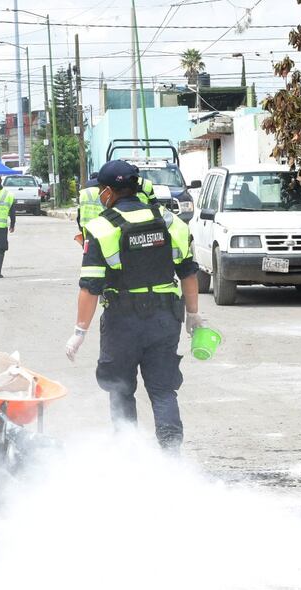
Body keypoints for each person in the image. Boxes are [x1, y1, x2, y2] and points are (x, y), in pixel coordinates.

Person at [65, 160, 203, 452]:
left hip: (122, 321)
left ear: (107, 191)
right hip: (165, 318)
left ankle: (129, 455)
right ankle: (171, 456)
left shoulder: (101, 228)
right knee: (163, 390)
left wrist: (79, 332)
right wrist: (193, 314)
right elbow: (188, 273)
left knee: (121, 390)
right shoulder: (170, 221)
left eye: (101, 191)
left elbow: (90, 287)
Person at [76, 172, 103, 245]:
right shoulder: (103, 192)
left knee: (87, 248)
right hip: (101, 226)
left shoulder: (83, 193)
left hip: (86, 227)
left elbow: (79, 213)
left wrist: (80, 227)